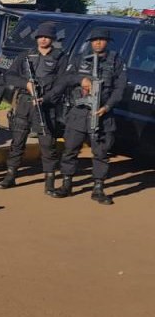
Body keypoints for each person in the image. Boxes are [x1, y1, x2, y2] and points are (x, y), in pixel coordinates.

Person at [51, 28, 127, 205]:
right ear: (90, 42)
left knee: (100, 153)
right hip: (79, 113)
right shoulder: (79, 59)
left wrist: (107, 107)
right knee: (70, 149)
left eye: (102, 40)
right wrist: (80, 80)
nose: (98, 43)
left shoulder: (115, 60)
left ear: (107, 42)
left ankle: (98, 189)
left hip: (102, 114)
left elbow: (120, 88)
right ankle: (66, 184)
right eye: (95, 40)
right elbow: (64, 79)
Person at [1, 22, 67, 194]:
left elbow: (62, 83)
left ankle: (49, 181)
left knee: (47, 144)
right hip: (24, 103)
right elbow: (9, 76)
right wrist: (25, 84)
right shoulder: (26, 55)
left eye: (47, 37)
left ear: (52, 39)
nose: (43, 39)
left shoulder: (60, 57)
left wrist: (45, 98)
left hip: (45, 106)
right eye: (40, 36)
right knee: (18, 141)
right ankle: (10, 175)